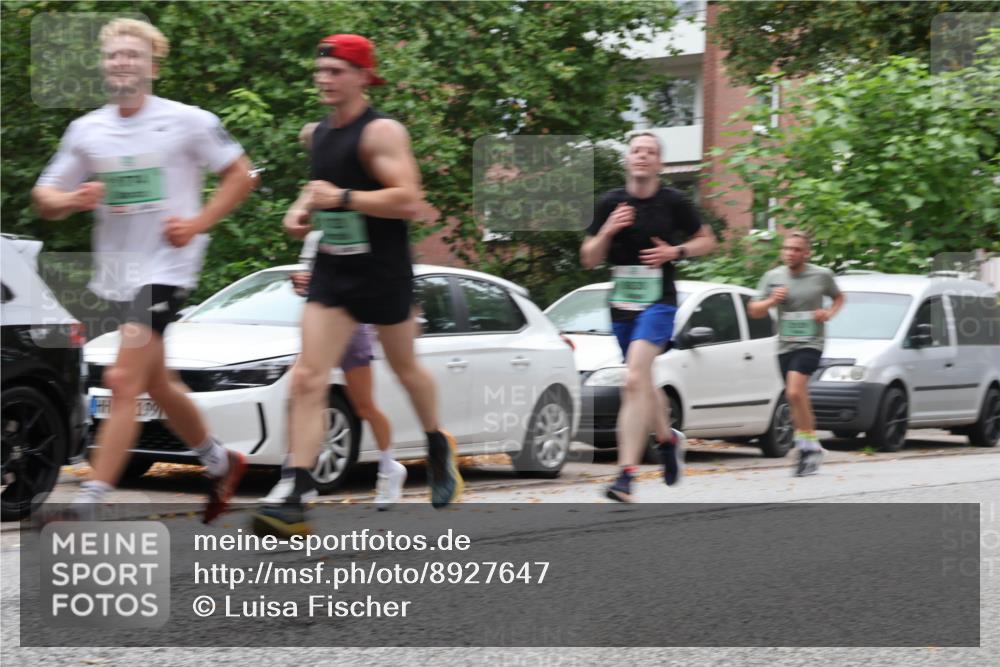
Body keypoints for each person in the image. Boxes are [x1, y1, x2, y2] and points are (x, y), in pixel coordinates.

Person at [32, 18, 257, 521]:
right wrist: (73, 198)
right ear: (103, 66)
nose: (121, 63)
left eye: (132, 55)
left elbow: (241, 175)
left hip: (167, 268)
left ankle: (90, 501)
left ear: (153, 66)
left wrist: (198, 222)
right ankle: (221, 461)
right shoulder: (87, 130)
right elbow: (44, 198)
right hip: (117, 274)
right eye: (113, 55)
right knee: (157, 383)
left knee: (123, 378)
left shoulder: (189, 121)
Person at [252, 34, 460, 537]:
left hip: (383, 271)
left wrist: (343, 198)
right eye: (320, 70)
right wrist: (299, 209)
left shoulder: (382, 133)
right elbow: (318, 183)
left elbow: (409, 200)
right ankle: (297, 492)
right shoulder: (317, 133)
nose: (324, 78)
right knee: (307, 376)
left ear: (364, 77)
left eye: (337, 70)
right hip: (335, 270)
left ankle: (437, 443)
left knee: (407, 369)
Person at [580, 133, 717, 502]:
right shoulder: (610, 202)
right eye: (637, 151)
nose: (642, 156)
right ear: (628, 160)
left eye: (650, 152)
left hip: (659, 301)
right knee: (642, 381)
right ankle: (668, 439)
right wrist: (608, 229)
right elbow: (589, 259)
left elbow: (709, 240)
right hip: (623, 305)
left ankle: (626, 475)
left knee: (633, 377)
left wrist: (676, 251)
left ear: (659, 164)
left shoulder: (673, 201)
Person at [265, 230, 406, 510]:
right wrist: (302, 283)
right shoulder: (316, 238)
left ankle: (390, 468)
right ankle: (293, 476)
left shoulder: (362, 227)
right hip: (320, 325)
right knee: (301, 391)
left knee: (364, 406)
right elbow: (312, 283)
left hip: (353, 326)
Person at [747, 230, 844, 476]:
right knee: (796, 397)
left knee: (793, 390)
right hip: (784, 345)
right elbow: (754, 311)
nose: (790, 253)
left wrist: (828, 314)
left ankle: (804, 447)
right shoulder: (773, 277)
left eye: (796, 249)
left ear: (806, 253)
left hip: (811, 342)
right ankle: (811, 446)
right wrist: (771, 301)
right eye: (787, 248)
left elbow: (839, 298)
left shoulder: (822, 275)